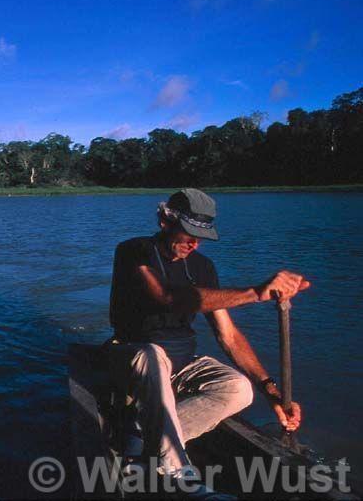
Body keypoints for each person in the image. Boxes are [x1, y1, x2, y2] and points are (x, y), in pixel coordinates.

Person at [108, 188, 308, 475]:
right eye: (187, 233)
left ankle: (141, 434)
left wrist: (271, 391)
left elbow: (228, 336)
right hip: (131, 359)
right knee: (153, 356)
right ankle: (176, 471)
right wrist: (255, 292)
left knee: (238, 389)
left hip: (181, 366)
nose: (194, 244)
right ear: (164, 220)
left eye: (199, 236)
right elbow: (167, 298)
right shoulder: (134, 252)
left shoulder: (203, 267)